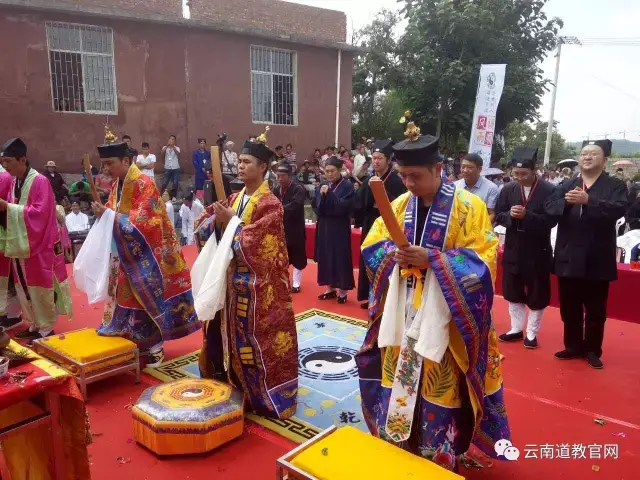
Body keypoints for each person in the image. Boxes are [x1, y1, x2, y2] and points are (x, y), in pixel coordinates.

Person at [356, 118, 510, 471]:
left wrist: (435, 260)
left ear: (438, 169)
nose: (409, 184)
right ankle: (398, 444)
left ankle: (437, 454)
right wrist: (393, 258)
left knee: (440, 384)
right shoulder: (399, 205)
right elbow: (372, 246)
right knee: (399, 378)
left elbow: (484, 260)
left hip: (445, 318)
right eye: (404, 176)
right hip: (402, 312)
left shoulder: (469, 207)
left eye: (416, 176)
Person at [193, 130, 298, 419]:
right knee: (218, 332)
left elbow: (264, 246)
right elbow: (204, 225)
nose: (240, 166)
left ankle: (257, 394)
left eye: (247, 162)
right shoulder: (234, 197)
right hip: (228, 282)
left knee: (254, 341)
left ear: (263, 167)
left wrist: (232, 223)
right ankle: (224, 380)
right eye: (239, 161)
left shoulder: (270, 204)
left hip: (257, 288)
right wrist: (217, 221)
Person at [91, 128, 200, 367]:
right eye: (103, 164)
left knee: (146, 297)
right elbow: (114, 211)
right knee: (126, 297)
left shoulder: (144, 183)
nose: (105, 169)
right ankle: (135, 343)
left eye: (109, 163)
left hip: (151, 253)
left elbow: (145, 220)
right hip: (126, 252)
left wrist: (109, 216)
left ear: (126, 161)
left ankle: (155, 347)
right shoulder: (118, 185)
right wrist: (104, 213)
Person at [544, 139, 628, 369]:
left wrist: (589, 200)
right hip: (568, 254)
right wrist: (567, 203)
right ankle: (573, 345)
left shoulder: (615, 185)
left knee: (595, 309)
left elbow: (619, 208)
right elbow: (549, 208)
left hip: (597, 256)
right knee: (569, 306)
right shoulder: (567, 184)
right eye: (584, 154)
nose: (587, 157)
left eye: (593, 154)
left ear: (604, 161)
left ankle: (592, 349)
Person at [0, 138, 72, 341]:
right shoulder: (14, 182)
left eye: (8, 161)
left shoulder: (40, 181)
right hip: (21, 243)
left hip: (40, 245)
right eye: (3, 162)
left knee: (40, 286)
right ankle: (34, 323)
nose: (5, 166)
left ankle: (46, 328)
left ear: (22, 159)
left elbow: (40, 213)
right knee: (23, 286)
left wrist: (8, 207)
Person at [495, 147, 556, 349]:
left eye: (524, 174)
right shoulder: (508, 189)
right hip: (514, 248)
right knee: (512, 290)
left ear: (534, 171)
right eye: (516, 174)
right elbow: (498, 215)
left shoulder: (549, 190)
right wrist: (510, 216)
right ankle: (515, 328)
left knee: (538, 292)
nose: (519, 178)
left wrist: (527, 216)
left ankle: (531, 332)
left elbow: (551, 220)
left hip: (538, 250)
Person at [356, 140, 406, 309]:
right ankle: (370, 297)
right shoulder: (369, 179)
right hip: (370, 224)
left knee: (385, 261)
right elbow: (359, 203)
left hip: (388, 227)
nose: (376, 161)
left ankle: (384, 299)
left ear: (388, 160)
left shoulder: (396, 181)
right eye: (374, 158)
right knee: (369, 258)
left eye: (380, 158)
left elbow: (401, 204)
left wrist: (383, 201)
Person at [313, 156, 356, 303]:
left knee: (340, 256)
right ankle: (329, 288)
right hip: (324, 225)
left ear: (339, 170)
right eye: (327, 171)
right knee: (326, 255)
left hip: (339, 226)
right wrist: (323, 197)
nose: (329, 174)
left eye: (332, 171)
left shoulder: (347, 186)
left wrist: (329, 195)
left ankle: (343, 291)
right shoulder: (322, 185)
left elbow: (346, 206)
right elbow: (316, 204)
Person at [273, 162, 307, 293]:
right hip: (281, 227)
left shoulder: (299, 189)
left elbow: (295, 205)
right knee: (281, 254)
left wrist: (279, 209)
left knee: (297, 255)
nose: (280, 178)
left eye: (283, 176)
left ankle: (296, 283)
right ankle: (282, 280)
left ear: (290, 176)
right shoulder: (276, 188)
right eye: (278, 176)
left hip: (295, 227)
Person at [455, 153, 499, 223]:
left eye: (469, 167)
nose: (465, 170)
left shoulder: (491, 188)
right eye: (463, 167)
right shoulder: (455, 186)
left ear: (480, 169)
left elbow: (491, 214)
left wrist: (479, 228)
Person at [160, 135, 181, 200]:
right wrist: (167, 146)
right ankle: (161, 195)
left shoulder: (177, 148)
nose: (171, 140)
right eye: (170, 139)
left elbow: (178, 154)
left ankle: (174, 196)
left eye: (173, 139)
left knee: (175, 183)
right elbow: (162, 153)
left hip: (175, 167)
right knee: (165, 182)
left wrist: (173, 147)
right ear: (168, 140)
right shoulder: (165, 147)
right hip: (167, 167)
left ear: (175, 141)